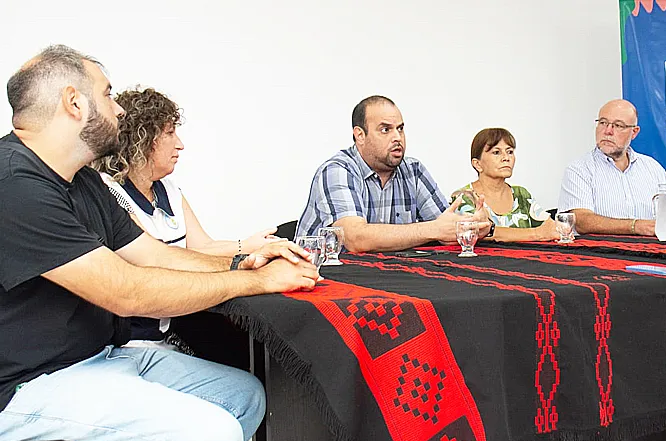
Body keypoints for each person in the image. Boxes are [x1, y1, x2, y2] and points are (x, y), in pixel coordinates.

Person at [0, 45, 320, 441]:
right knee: (211, 431)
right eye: (107, 94)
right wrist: (261, 281)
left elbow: (155, 255)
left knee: (243, 396)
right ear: (74, 102)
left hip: (98, 359)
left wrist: (244, 263)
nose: (118, 109)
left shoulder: (85, 182)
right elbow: (125, 292)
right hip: (27, 386)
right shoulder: (14, 184)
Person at [91, 88, 277, 348]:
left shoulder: (168, 188)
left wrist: (250, 246)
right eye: (169, 133)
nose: (180, 144)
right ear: (142, 139)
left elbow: (202, 247)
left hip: (172, 333)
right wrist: (243, 260)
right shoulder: (111, 191)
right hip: (134, 341)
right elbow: (158, 260)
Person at [296, 95, 489, 252]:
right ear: (360, 135)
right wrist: (433, 229)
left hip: (387, 275)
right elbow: (355, 239)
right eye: (385, 130)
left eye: (400, 129)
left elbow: (446, 228)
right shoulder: (337, 170)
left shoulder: (413, 170)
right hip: (324, 277)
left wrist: (473, 225)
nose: (397, 137)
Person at [558, 99, 666, 236]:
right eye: (603, 123)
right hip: (601, 248)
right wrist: (635, 226)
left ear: (634, 132)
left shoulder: (653, 168)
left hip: (651, 248)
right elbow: (581, 221)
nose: (607, 131)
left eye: (618, 125)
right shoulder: (579, 170)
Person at [454, 128, 559, 242]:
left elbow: (550, 228)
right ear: (477, 164)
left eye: (510, 152)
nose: (506, 158)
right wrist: (536, 234)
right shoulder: (464, 197)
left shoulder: (521, 194)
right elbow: (477, 233)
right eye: (496, 152)